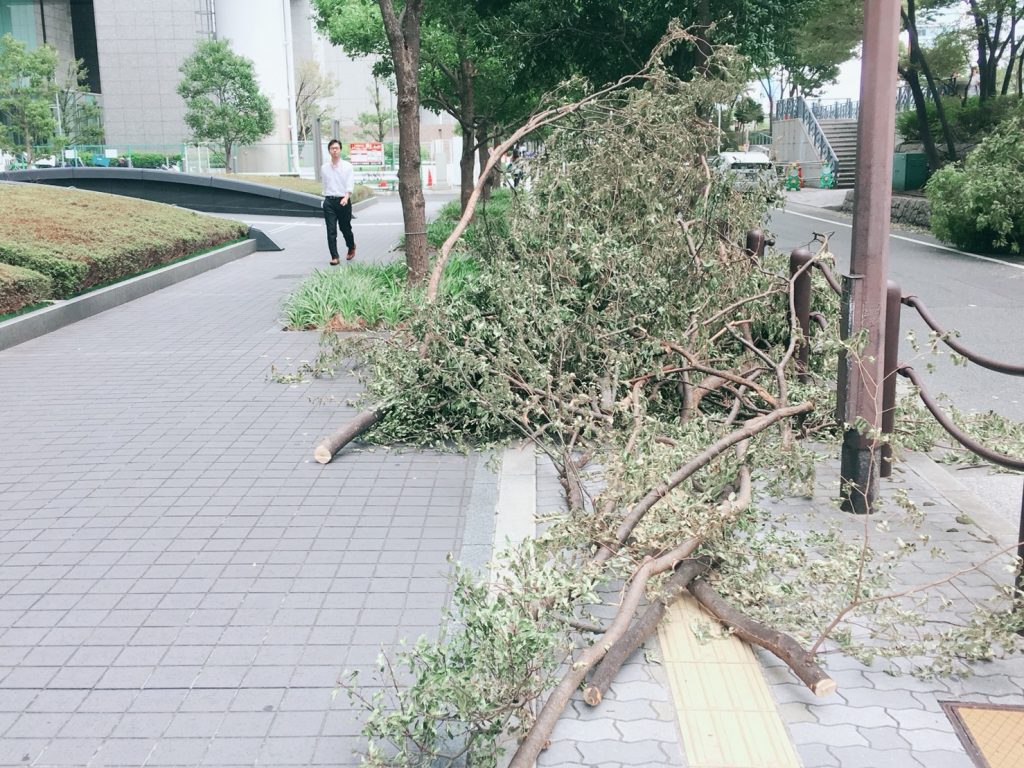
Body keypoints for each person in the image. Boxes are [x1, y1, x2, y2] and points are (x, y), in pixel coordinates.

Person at [321, 138, 356, 265]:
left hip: (343, 200)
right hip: (329, 201)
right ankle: (334, 256)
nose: (334, 150)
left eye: (336, 148)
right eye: (332, 148)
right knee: (331, 230)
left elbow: (350, 184)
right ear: (329, 151)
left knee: (345, 228)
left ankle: (351, 246)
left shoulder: (347, 167)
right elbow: (324, 185)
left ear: (340, 150)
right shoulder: (324, 168)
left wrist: (346, 197)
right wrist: (325, 199)